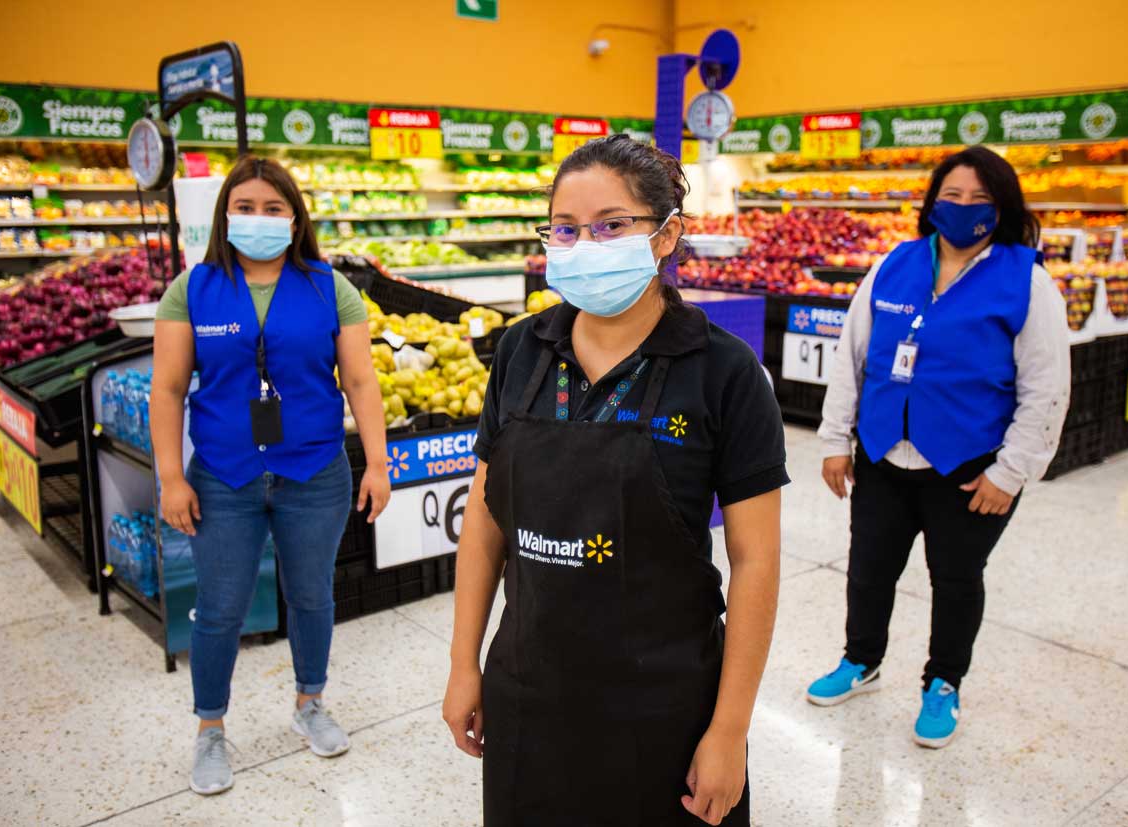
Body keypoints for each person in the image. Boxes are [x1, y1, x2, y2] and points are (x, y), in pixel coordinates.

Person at [442, 135, 787, 827]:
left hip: (662, 705)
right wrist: (463, 663)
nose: (584, 243)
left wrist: (729, 730)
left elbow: (756, 561)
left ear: (666, 236)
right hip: (529, 691)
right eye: (566, 229)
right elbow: (484, 522)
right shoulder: (521, 351)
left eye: (611, 224)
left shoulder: (723, 372)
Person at [809, 145, 1070, 748]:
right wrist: (835, 439)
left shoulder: (1026, 281)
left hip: (968, 467)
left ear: (1002, 207)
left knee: (956, 579)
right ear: (932, 202)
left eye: (980, 198)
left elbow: (1048, 387)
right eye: (952, 195)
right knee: (869, 569)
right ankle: (861, 660)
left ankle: (944, 682)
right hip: (882, 454)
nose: (964, 207)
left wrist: (1013, 472)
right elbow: (852, 359)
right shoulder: (893, 265)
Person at [150, 156, 391, 795]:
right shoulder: (192, 288)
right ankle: (209, 731)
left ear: (295, 216)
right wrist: (172, 478)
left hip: (314, 470)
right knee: (220, 608)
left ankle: (310, 701)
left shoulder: (329, 287)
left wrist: (378, 464)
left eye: (273, 208)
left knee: (311, 594)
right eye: (245, 207)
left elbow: (361, 381)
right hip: (222, 478)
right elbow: (168, 389)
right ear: (225, 214)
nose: (259, 219)